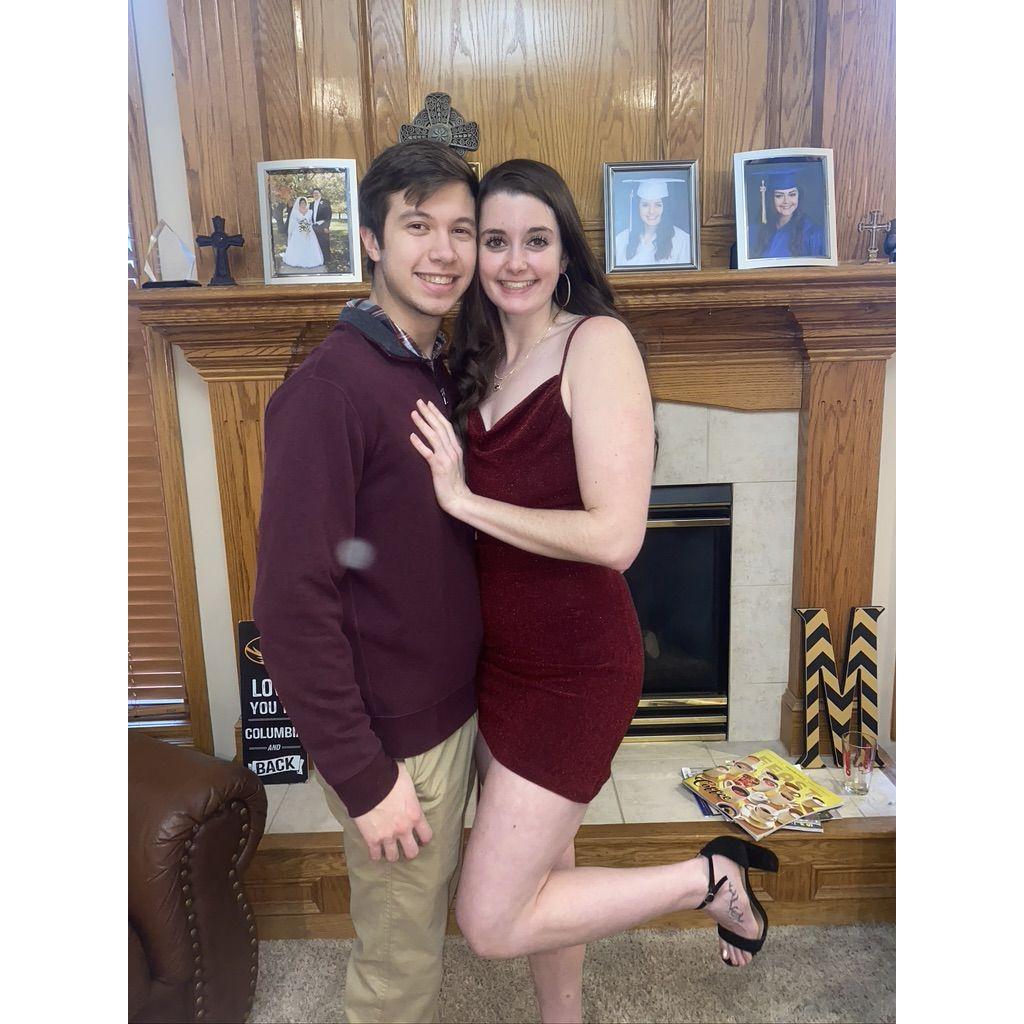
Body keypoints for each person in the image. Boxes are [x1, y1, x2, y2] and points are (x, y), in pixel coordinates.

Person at [409, 159, 780, 1023]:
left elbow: (617, 538)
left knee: (490, 919)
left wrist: (465, 500)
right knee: (548, 872)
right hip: (500, 665)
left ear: (565, 249)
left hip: (575, 670)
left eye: (536, 240)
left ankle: (711, 878)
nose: (514, 261)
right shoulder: (476, 361)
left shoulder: (597, 344)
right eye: (495, 240)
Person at [253, 140, 482, 1023]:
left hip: (453, 712)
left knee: (427, 938)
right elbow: (290, 604)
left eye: (462, 229)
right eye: (418, 226)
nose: (444, 251)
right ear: (373, 242)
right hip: (396, 750)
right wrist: (363, 776)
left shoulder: (430, 368)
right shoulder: (330, 389)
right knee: (397, 972)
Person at [749, 167, 826, 259]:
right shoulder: (756, 230)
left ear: (799, 196)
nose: (786, 201)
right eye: (779, 196)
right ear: (770, 198)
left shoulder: (812, 233)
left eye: (792, 194)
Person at [614, 178, 691, 266]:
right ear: (637, 207)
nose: (651, 211)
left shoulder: (682, 240)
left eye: (658, 205)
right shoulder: (621, 239)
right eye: (645, 205)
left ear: (665, 207)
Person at [281, 196, 324, 268]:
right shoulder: (295, 212)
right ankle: (296, 260)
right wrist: (295, 230)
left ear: (306, 203)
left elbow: (311, 221)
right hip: (298, 231)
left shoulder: (310, 211)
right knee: (298, 245)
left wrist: (308, 227)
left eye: (304, 203)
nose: (303, 204)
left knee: (310, 245)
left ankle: (311, 260)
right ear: (299, 204)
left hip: (309, 230)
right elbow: (293, 222)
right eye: (301, 203)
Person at [311, 186, 332, 264]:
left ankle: (326, 260)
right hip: (314, 226)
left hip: (323, 226)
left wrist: (326, 226)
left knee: (324, 242)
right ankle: (318, 259)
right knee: (316, 243)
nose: (315, 194)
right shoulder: (311, 204)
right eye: (314, 193)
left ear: (320, 194)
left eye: (317, 193)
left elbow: (329, 215)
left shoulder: (325, 202)